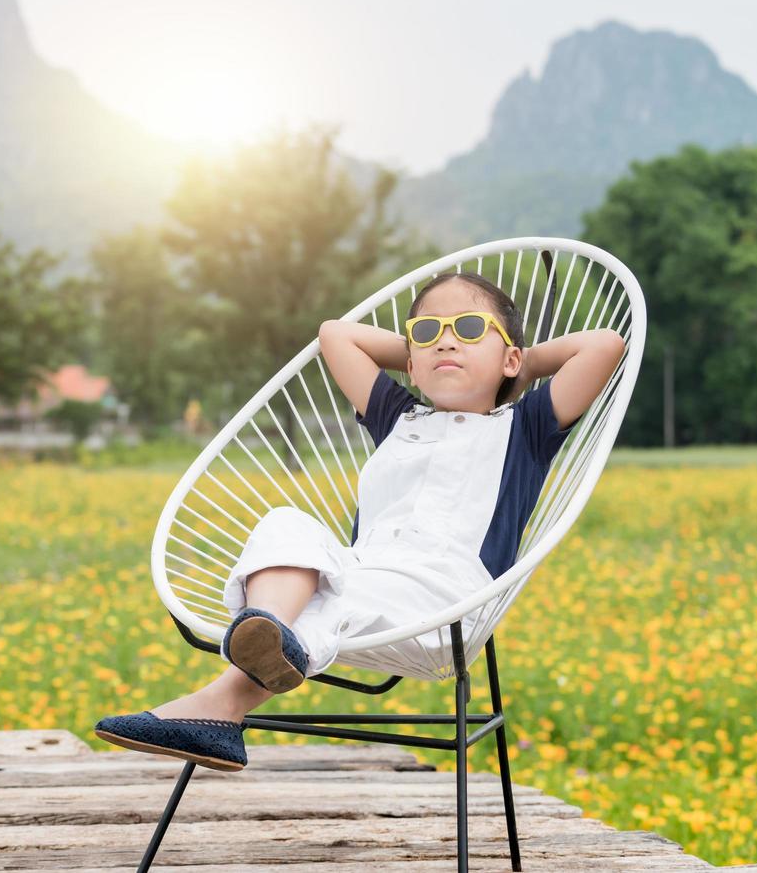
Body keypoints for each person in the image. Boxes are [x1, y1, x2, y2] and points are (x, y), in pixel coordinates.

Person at [94, 271, 626, 771]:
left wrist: (516, 367)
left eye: (467, 328)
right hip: (360, 570)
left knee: (330, 599)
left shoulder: (525, 427)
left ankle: (219, 703)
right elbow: (336, 335)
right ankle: (259, 644)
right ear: (410, 364)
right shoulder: (398, 416)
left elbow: (604, 346)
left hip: (443, 601)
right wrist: (435, 355)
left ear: (511, 358)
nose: (446, 341)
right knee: (287, 523)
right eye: (426, 332)